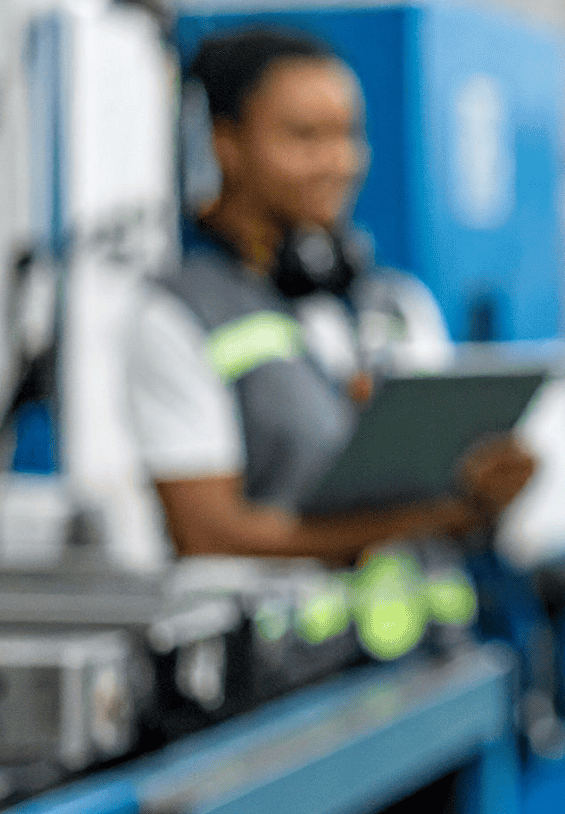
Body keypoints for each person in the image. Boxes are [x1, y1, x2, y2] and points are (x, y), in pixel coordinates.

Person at [125, 27, 534, 564]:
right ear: (227, 146)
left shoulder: (396, 304)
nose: (338, 162)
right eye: (304, 137)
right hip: (289, 648)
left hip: (434, 646)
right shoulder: (178, 316)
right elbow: (209, 535)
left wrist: (489, 492)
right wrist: (417, 521)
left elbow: (452, 496)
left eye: (348, 135)